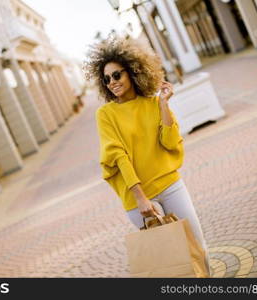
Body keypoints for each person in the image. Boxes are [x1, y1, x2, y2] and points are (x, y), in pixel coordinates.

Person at [84, 36, 211, 276]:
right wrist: (141, 198)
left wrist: (163, 104)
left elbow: (170, 142)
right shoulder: (106, 114)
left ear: (132, 71)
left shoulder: (153, 103)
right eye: (106, 79)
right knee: (169, 261)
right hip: (139, 199)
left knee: (198, 246)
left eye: (116, 75)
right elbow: (118, 157)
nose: (112, 82)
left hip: (171, 185)